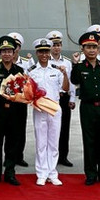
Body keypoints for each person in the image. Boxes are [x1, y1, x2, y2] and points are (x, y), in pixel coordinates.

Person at [70, 31, 100, 186]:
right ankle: (91, 174)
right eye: (88, 47)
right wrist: (74, 64)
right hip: (88, 108)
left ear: (98, 49)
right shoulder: (80, 67)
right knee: (89, 141)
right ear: (83, 49)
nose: (91, 50)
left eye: (94, 47)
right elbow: (74, 80)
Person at [0, 35, 26, 186]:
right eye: (4, 51)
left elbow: (23, 94)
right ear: (0, 53)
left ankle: (10, 173)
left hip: (14, 113)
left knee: (12, 145)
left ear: (14, 53)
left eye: (9, 51)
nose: (7, 54)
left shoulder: (19, 70)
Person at [28, 38, 68, 186]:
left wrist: (65, 74)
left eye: (46, 51)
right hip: (39, 110)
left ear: (49, 52)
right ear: (37, 53)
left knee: (53, 142)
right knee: (41, 142)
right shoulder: (31, 71)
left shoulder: (56, 70)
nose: (44, 54)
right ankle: (41, 173)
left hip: (54, 109)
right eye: (41, 52)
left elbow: (65, 88)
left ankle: (52, 172)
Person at [46, 29, 75, 167]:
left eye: (58, 45)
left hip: (64, 98)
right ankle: (49, 155)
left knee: (64, 128)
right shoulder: (45, 61)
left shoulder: (67, 62)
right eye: (54, 45)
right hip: (50, 98)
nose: (56, 48)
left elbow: (71, 82)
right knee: (49, 128)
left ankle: (63, 156)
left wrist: (72, 99)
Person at [7, 31, 30, 167]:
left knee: (21, 129)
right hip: (8, 101)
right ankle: (8, 156)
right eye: (12, 46)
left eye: (17, 46)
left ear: (19, 48)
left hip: (21, 102)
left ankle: (19, 156)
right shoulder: (1, 62)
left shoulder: (27, 62)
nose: (15, 49)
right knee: (8, 130)